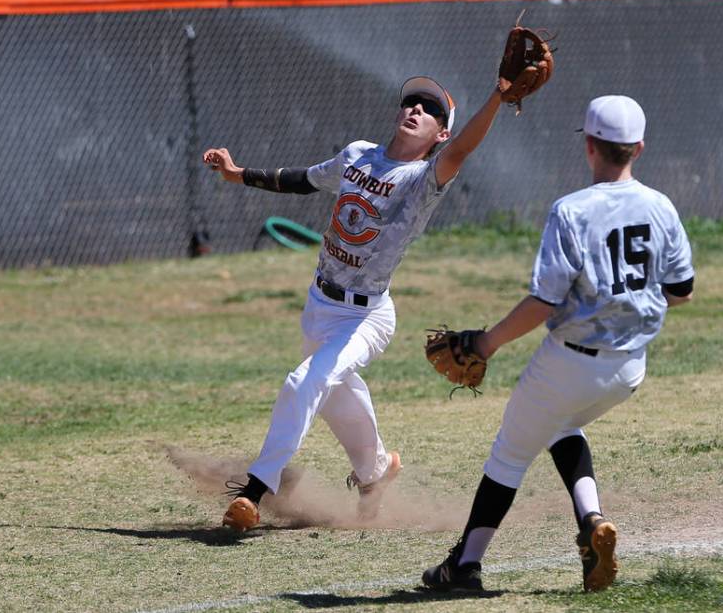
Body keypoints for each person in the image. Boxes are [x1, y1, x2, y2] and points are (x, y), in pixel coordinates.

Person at [202, 75, 513, 530]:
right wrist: (237, 173)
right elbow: (303, 180)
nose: (416, 111)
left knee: (304, 381)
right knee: (334, 394)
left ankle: (256, 489)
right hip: (319, 303)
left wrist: (499, 97)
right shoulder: (357, 155)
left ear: (441, 134)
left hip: (365, 314)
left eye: (431, 111)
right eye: (411, 103)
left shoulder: (423, 179)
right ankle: (376, 472)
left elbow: (463, 150)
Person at [421, 95, 695, 592]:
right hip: (630, 367)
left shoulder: (571, 211)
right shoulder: (662, 207)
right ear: (638, 148)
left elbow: (543, 304)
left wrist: (485, 343)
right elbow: (681, 292)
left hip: (570, 362)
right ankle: (592, 521)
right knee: (561, 425)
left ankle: (464, 566)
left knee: (509, 455)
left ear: (590, 147)